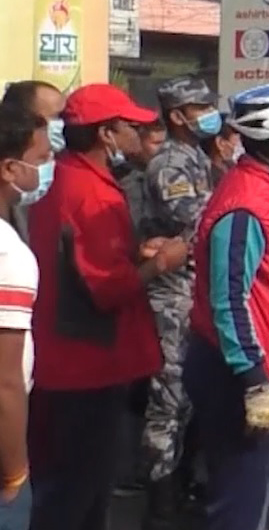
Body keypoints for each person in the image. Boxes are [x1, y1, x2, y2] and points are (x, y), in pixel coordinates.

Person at [28, 85, 187, 530]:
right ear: (107, 135)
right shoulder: (91, 193)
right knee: (80, 496)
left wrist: (136, 254)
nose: (141, 135)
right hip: (87, 367)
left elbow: (78, 263)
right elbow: (107, 289)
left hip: (65, 360)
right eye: (132, 128)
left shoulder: (68, 180)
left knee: (67, 490)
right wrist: (160, 263)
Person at [183, 85, 269, 530]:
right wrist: (254, 382)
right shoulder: (244, 206)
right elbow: (228, 301)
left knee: (257, 495)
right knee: (237, 505)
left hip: (268, 371)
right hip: (239, 376)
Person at [139, 75, 221, 523]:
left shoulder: (196, 157)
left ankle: (182, 483)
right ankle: (160, 502)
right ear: (177, 116)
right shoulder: (169, 163)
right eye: (200, 106)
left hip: (195, 290)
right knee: (168, 401)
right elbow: (197, 220)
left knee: (188, 398)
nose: (209, 113)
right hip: (173, 296)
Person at [0, 103, 49, 528]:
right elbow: (6, 380)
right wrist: (15, 472)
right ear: (9, 169)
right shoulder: (8, 253)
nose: (48, 166)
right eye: (40, 159)